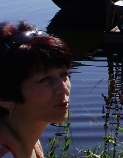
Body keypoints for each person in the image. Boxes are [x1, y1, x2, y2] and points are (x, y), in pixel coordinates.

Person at [0, 20, 72, 158]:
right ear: (4, 97)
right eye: (45, 80)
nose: (63, 89)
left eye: (64, 74)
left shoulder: (27, 139)